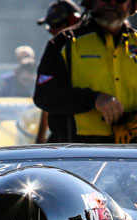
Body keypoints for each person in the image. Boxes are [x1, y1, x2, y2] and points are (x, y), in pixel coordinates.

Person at [33, 0, 137, 144]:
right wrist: (94, 99)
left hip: (135, 151)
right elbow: (44, 95)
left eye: (120, 0)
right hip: (78, 151)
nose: (112, 3)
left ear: (132, 4)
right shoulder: (64, 43)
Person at [33, 0, 82, 144]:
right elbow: (47, 99)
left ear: (73, 21)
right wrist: (40, 140)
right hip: (61, 136)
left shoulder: (89, 48)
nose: (51, 31)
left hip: (86, 136)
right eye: (49, 26)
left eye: (55, 25)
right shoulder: (55, 49)